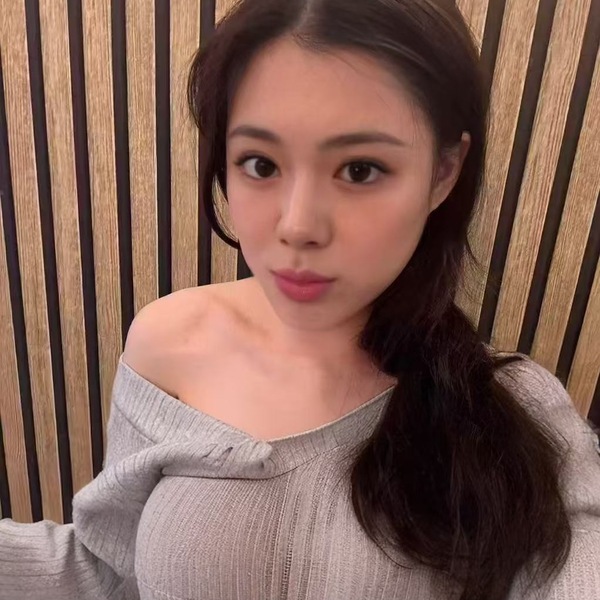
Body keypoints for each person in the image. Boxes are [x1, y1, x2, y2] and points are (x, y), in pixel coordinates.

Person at [1, 0, 599, 598]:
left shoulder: (512, 409)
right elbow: (107, 570)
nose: (297, 225)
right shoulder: (170, 342)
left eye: (360, 170)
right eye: (260, 164)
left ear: (443, 173)